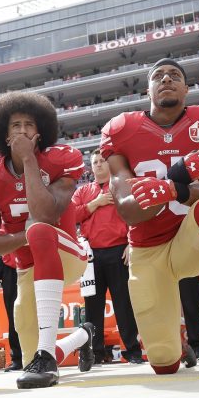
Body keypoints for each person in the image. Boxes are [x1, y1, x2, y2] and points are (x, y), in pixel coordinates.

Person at [100, 58, 199, 379]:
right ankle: (178, 341)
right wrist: (179, 176)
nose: (167, 79)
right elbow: (129, 210)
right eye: (158, 75)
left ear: (187, 88)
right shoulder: (122, 129)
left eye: (175, 75)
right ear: (148, 89)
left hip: (192, 238)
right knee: (164, 363)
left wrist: (172, 187)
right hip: (148, 249)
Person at [0, 91, 95, 389]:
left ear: (41, 133)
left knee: (39, 230)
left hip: (66, 254)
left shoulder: (61, 159)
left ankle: (50, 355)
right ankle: (81, 337)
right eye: (16, 125)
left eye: (29, 124)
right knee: (33, 358)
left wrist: (28, 158)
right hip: (27, 267)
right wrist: (21, 238)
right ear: (3, 133)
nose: (23, 130)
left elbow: (45, 213)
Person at [72, 150, 142, 364]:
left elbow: (135, 213)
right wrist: (96, 203)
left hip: (118, 250)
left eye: (103, 161)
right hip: (91, 256)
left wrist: (131, 242)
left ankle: (132, 350)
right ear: (90, 167)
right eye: (95, 162)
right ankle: (96, 352)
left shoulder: (121, 186)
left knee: (124, 304)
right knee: (92, 306)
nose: (100, 165)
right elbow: (71, 215)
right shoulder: (83, 191)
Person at [0, 252, 22, 371]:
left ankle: (39, 353)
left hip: (28, 257)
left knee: (33, 311)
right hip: (10, 262)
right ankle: (17, 357)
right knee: (13, 314)